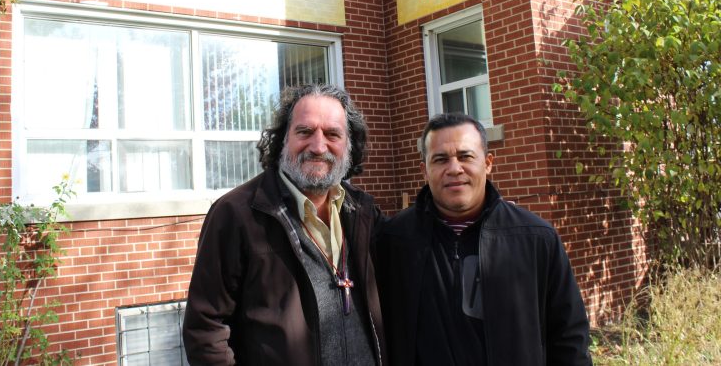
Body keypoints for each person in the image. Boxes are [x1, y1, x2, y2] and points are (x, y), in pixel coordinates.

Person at [183, 84, 387, 366]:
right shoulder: (235, 214)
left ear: (349, 146)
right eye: (304, 132)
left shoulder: (364, 212)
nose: (318, 146)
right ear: (283, 140)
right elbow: (206, 330)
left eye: (332, 134)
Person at [375, 113, 592, 365]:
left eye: (466, 156)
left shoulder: (535, 238)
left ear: (488, 163)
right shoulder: (392, 241)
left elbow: (569, 338)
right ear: (425, 169)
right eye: (440, 159)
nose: (454, 169)